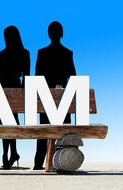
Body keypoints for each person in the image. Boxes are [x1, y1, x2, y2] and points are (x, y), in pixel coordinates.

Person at [34, 21, 76, 170]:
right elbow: (73, 75)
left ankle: (38, 163)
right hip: (63, 98)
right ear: (61, 34)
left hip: (46, 99)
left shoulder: (42, 53)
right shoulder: (67, 53)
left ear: (49, 34)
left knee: (43, 130)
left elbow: (37, 76)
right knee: (63, 131)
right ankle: (62, 161)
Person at [0, 26, 30, 169]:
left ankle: (7, 154)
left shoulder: (3, 54)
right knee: (11, 122)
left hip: (5, 89)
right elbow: (27, 76)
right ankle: (12, 153)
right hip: (16, 89)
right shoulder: (24, 53)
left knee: (6, 123)